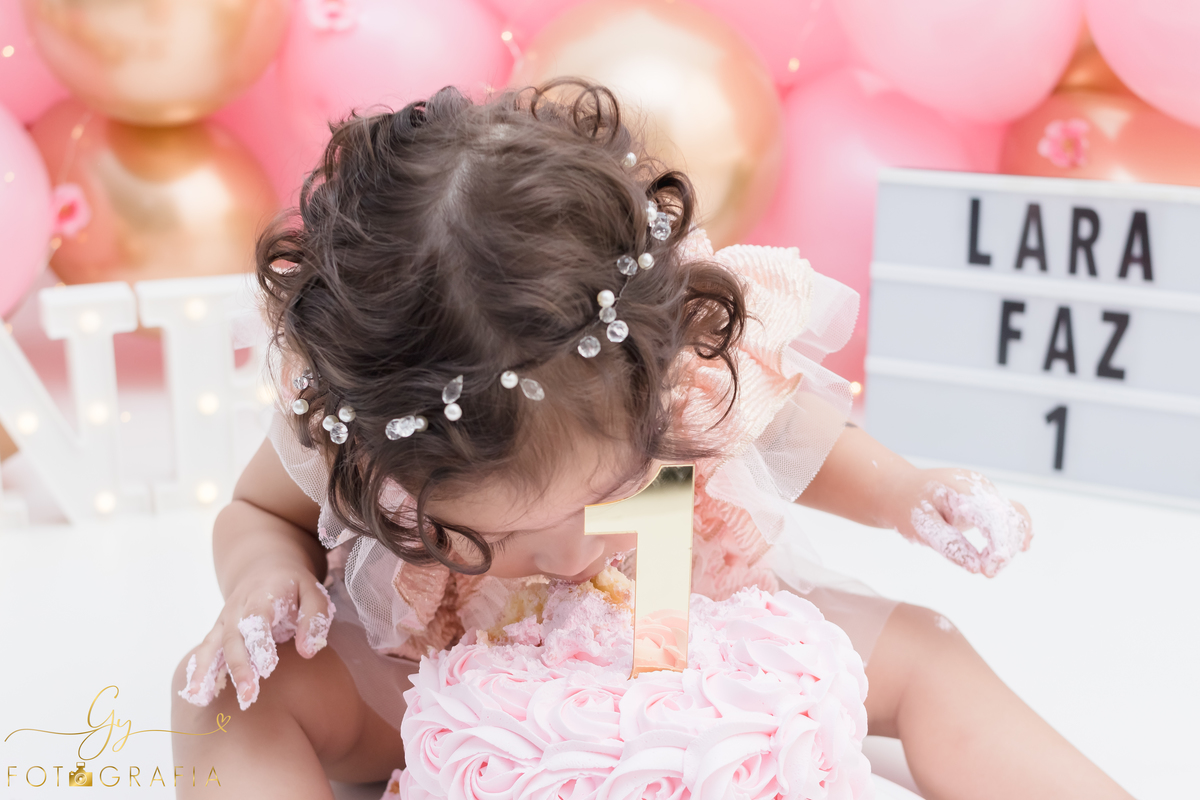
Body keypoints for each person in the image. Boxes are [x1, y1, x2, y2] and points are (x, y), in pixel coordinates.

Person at [171, 82, 1133, 800]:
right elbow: (258, 511)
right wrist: (264, 575)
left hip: (683, 634)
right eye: (493, 534)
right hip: (438, 681)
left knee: (926, 648)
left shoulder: (666, 375)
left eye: (614, 489)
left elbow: (801, 431)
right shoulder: (360, 433)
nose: (571, 556)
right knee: (221, 697)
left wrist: (906, 495)